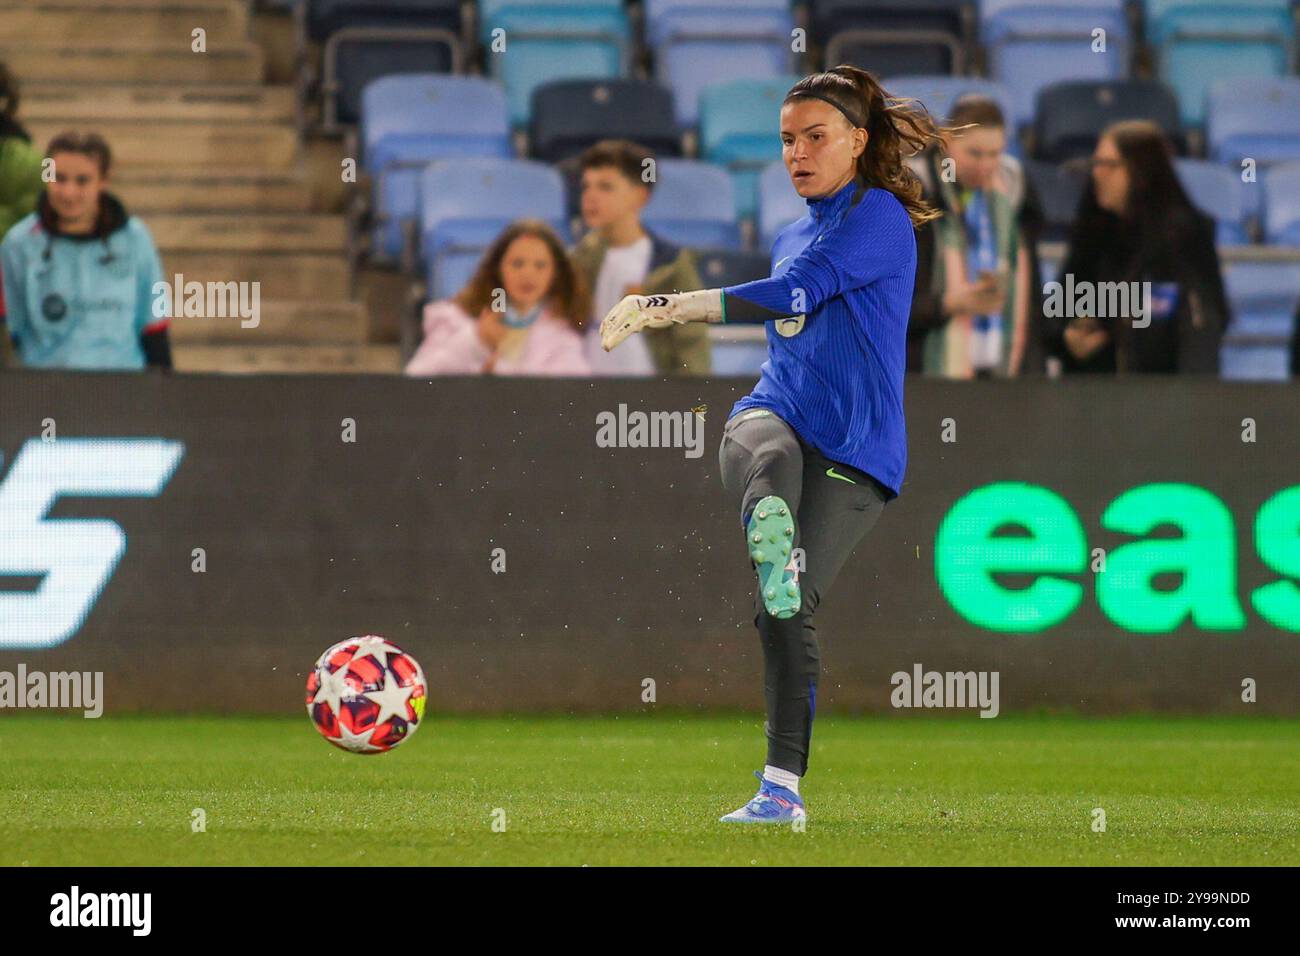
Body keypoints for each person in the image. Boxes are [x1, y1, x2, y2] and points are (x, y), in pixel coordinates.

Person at [600, 65, 944, 823]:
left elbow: (793, 295)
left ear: (857, 141)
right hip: (777, 411)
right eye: (787, 140)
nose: (797, 154)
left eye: (815, 137)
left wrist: (666, 305)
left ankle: (780, 793)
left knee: (782, 612)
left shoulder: (879, 215)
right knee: (765, 449)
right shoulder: (793, 227)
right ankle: (770, 519)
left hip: (856, 449)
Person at [1047, 120, 1227, 374]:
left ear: (1139, 171)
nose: (1096, 173)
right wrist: (1068, 337)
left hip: (1162, 390)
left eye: (1107, 165)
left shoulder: (1184, 236)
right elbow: (1058, 309)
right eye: (1095, 164)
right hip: (1094, 390)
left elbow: (1207, 319)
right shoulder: (1092, 232)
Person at [0, 131, 171, 370]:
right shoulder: (18, 244)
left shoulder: (136, 239)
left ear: (103, 181)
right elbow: (11, 327)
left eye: (82, 181)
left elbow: (154, 327)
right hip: (45, 391)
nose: (69, 193)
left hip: (123, 387)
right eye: (59, 179)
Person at [907, 95, 1037, 378]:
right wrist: (948, 304)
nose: (986, 166)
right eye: (975, 153)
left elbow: (1029, 293)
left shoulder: (1012, 192)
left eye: (995, 154)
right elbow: (891, 307)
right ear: (946, 141)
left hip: (997, 370)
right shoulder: (912, 196)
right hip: (924, 372)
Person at [570, 139, 710, 377]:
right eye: (586, 186)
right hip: (582, 393)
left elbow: (691, 343)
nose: (590, 196)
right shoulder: (578, 260)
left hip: (649, 398)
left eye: (605, 187)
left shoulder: (672, 264)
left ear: (640, 196)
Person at [405, 219, 590, 376]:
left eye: (540, 266)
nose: (528, 274)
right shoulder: (455, 317)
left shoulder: (563, 333)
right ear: (497, 268)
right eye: (517, 264)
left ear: (555, 274)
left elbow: (572, 396)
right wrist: (476, 341)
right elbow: (417, 375)